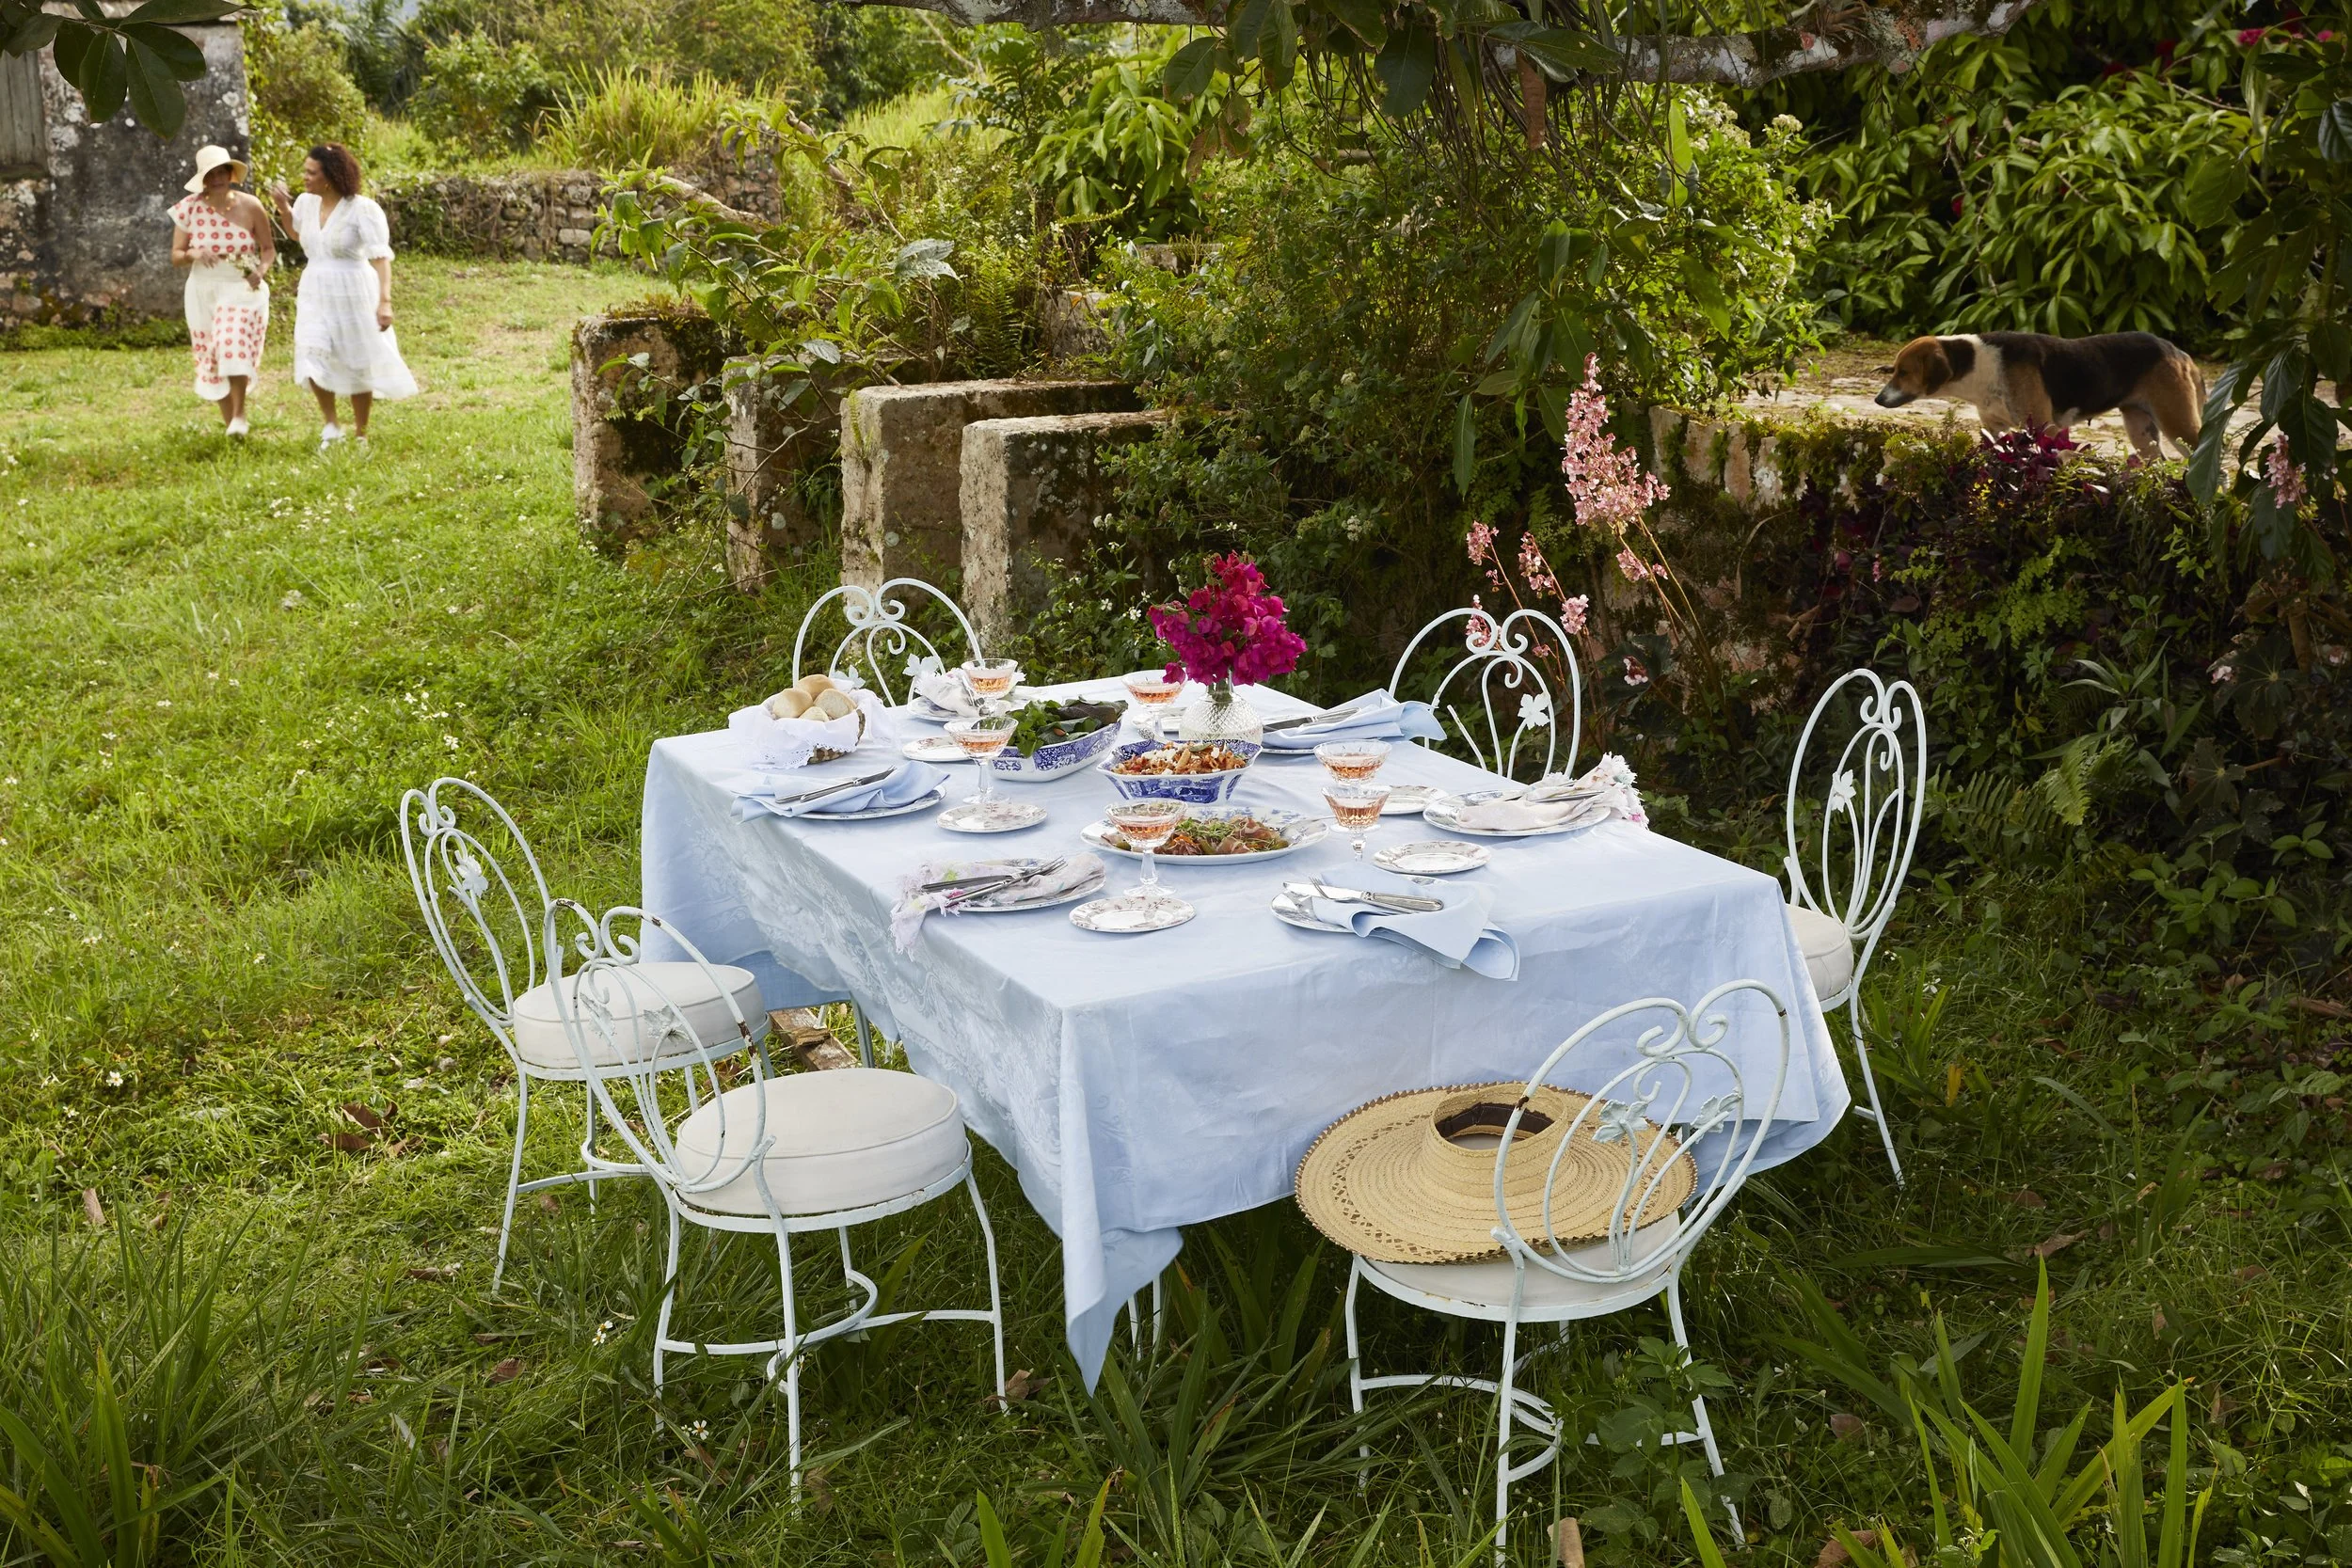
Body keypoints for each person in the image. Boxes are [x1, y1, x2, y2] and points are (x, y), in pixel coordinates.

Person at [267, 143, 417, 453]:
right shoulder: (307, 204)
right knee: (312, 352)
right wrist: (283, 207)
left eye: (311, 172)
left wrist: (385, 301)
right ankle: (331, 425)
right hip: (315, 288)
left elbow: (380, 258)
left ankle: (361, 433)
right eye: (305, 171)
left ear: (330, 176)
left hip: (353, 288)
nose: (304, 177)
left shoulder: (363, 209)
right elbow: (297, 235)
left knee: (356, 360)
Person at [168, 145, 274, 436]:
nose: (216, 179)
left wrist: (260, 272)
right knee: (213, 354)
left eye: (221, 172)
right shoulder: (188, 208)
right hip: (203, 288)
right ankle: (233, 426)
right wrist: (194, 252)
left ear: (231, 174)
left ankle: (240, 413)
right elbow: (176, 255)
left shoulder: (251, 205)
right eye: (210, 174)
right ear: (203, 178)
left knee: (231, 341)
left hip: (241, 286)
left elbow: (268, 249)